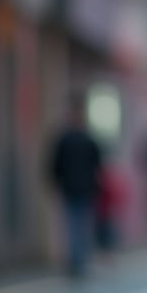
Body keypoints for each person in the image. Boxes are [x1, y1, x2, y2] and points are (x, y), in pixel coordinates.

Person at [47, 93, 102, 279]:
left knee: (74, 225)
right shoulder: (86, 139)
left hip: (75, 188)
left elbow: (55, 165)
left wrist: (54, 182)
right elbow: (98, 166)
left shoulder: (66, 138)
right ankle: (78, 260)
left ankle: (76, 260)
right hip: (80, 188)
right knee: (78, 225)